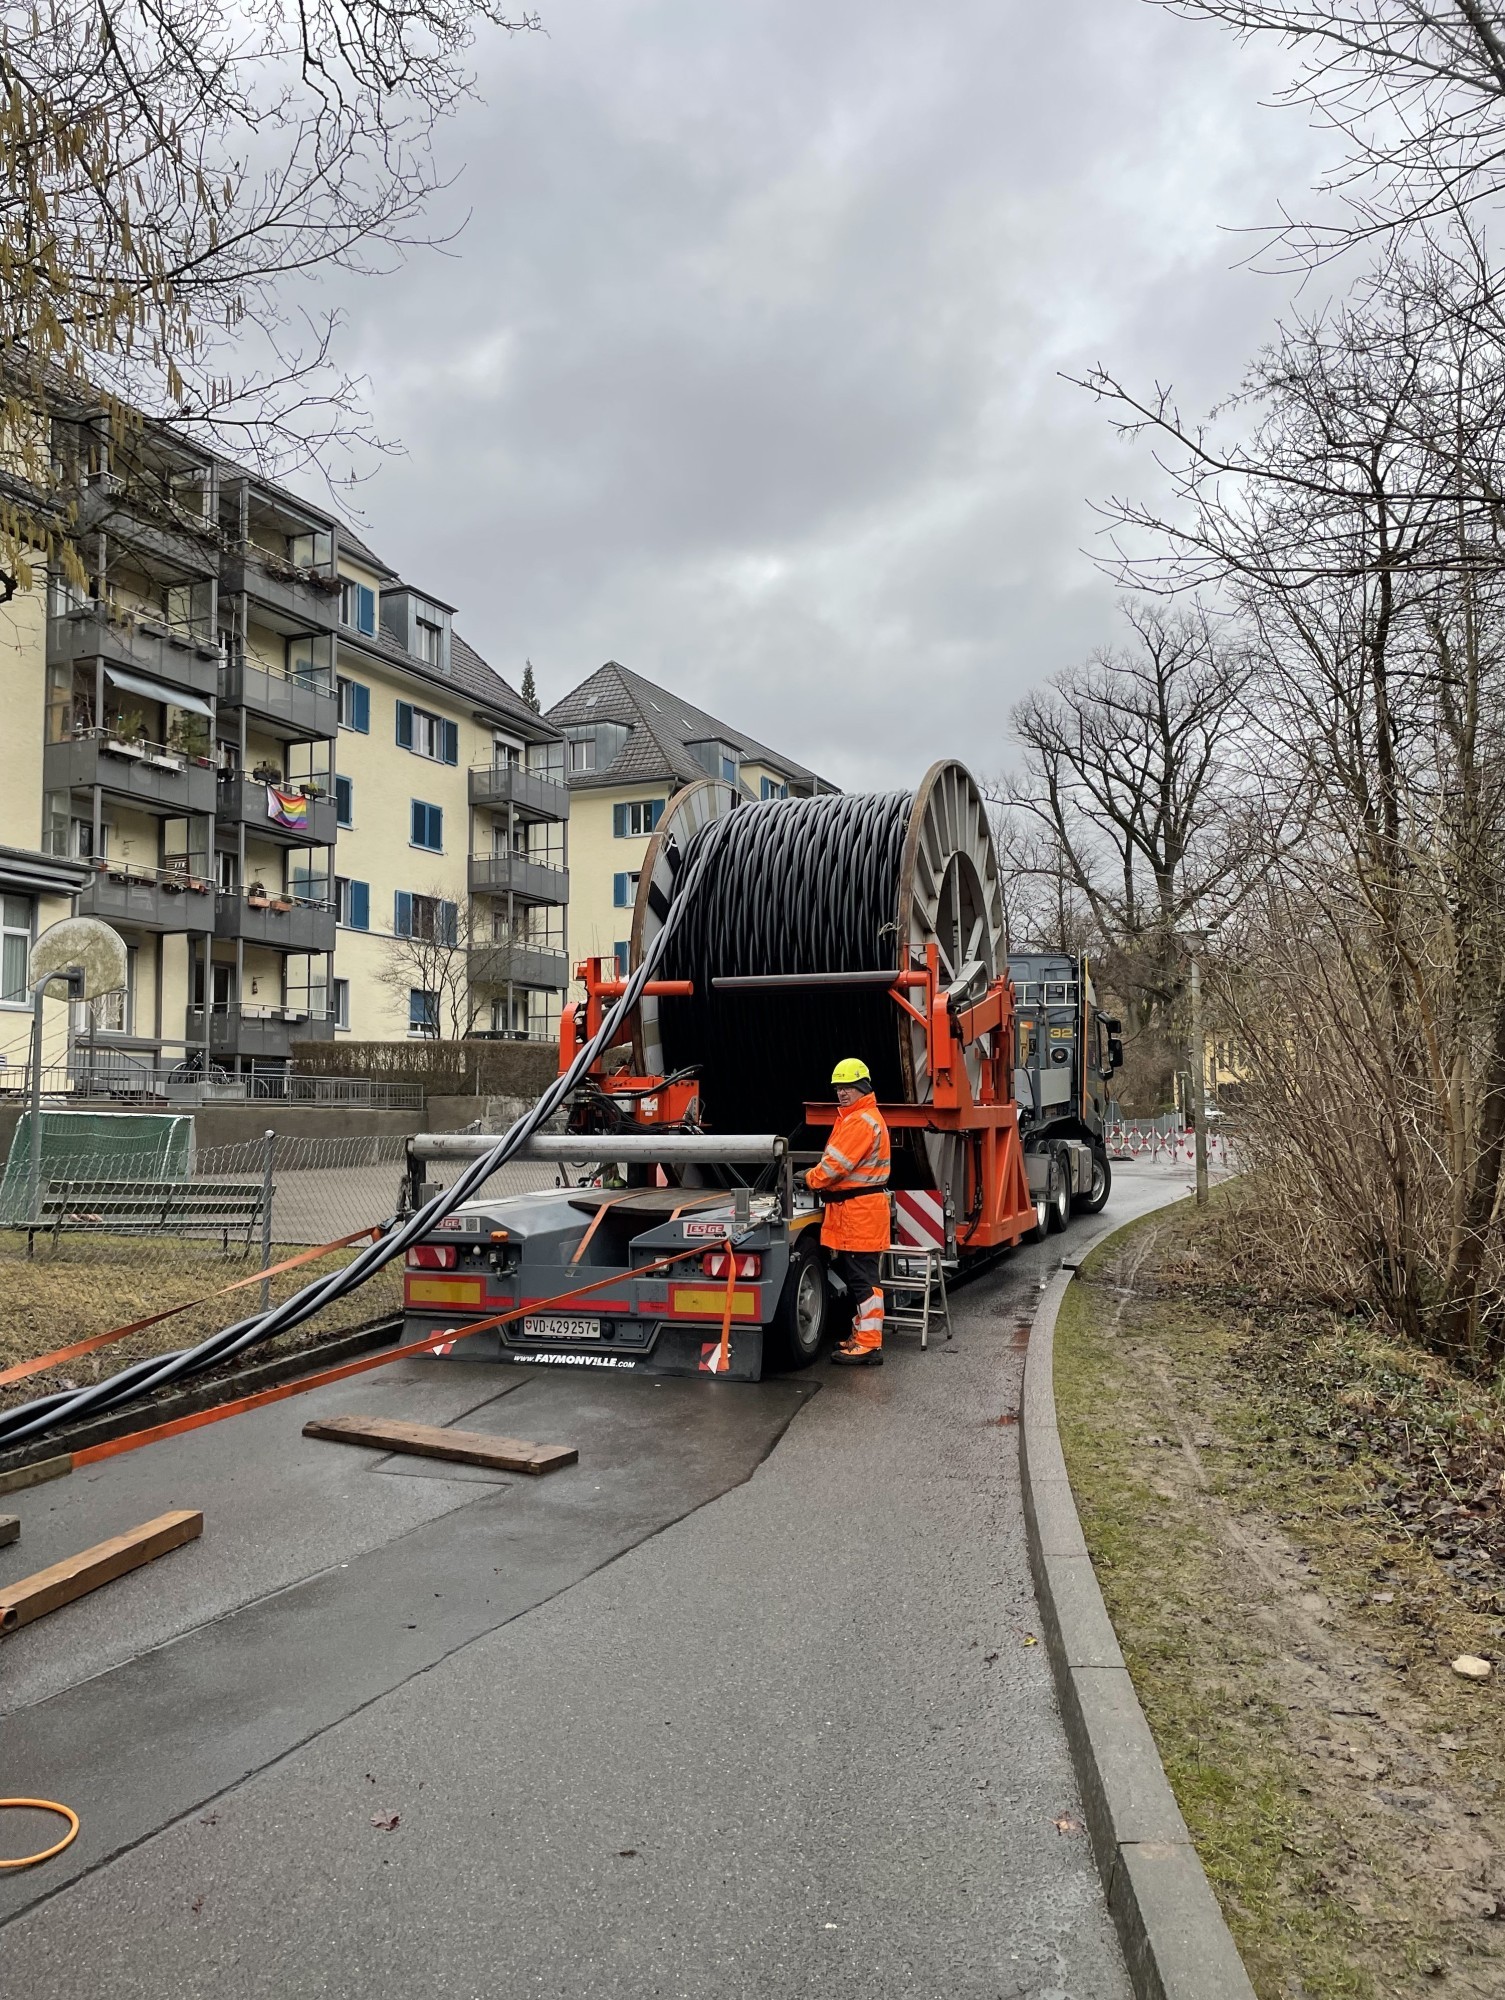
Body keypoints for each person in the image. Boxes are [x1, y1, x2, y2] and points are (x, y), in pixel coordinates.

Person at [804, 1057, 890, 1367]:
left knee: (863, 1282)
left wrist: (810, 1178)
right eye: (838, 1088)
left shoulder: (860, 1122)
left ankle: (868, 1344)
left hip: (860, 1212)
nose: (842, 1093)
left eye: (848, 1088)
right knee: (861, 1278)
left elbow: (837, 1166)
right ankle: (862, 1336)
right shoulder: (861, 1117)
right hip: (859, 1211)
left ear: (862, 1087)